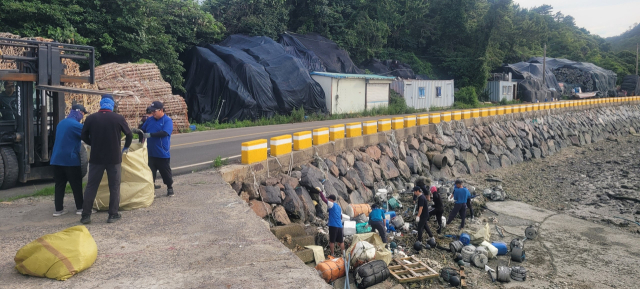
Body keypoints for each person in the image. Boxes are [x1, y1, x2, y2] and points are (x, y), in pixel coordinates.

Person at [80, 94, 132, 224]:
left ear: (101, 104)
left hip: (96, 158)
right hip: (114, 158)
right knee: (114, 186)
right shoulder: (118, 118)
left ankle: (86, 215)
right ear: (112, 105)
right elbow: (129, 134)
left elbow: (83, 136)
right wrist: (125, 147)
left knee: (91, 186)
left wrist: (93, 143)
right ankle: (112, 214)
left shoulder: (91, 118)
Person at [50, 104, 88, 217]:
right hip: (70, 160)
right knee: (76, 184)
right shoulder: (76, 125)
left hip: (56, 159)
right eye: (83, 114)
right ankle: (80, 208)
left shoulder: (61, 123)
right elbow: (87, 136)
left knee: (59, 185)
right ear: (79, 112)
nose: (83, 116)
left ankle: (58, 210)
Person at [140, 101, 174, 196]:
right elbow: (143, 129)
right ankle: (152, 190)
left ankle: (169, 187)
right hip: (151, 152)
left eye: (155, 111)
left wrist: (151, 135)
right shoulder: (150, 120)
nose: (153, 113)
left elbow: (165, 133)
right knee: (151, 173)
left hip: (162, 152)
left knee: (165, 172)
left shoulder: (166, 120)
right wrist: (139, 130)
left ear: (161, 110)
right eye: (152, 111)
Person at [317, 187, 344, 256]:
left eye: (329, 199)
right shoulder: (339, 207)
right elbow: (341, 217)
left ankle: (332, 254)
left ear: (331, 199)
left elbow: (324, 199)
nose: (328, 200)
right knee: (341, 241)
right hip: (340, 226)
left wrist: (320, 192)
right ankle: (343, 254)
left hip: (333, 226)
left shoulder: (331, 204)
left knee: (332, 241)